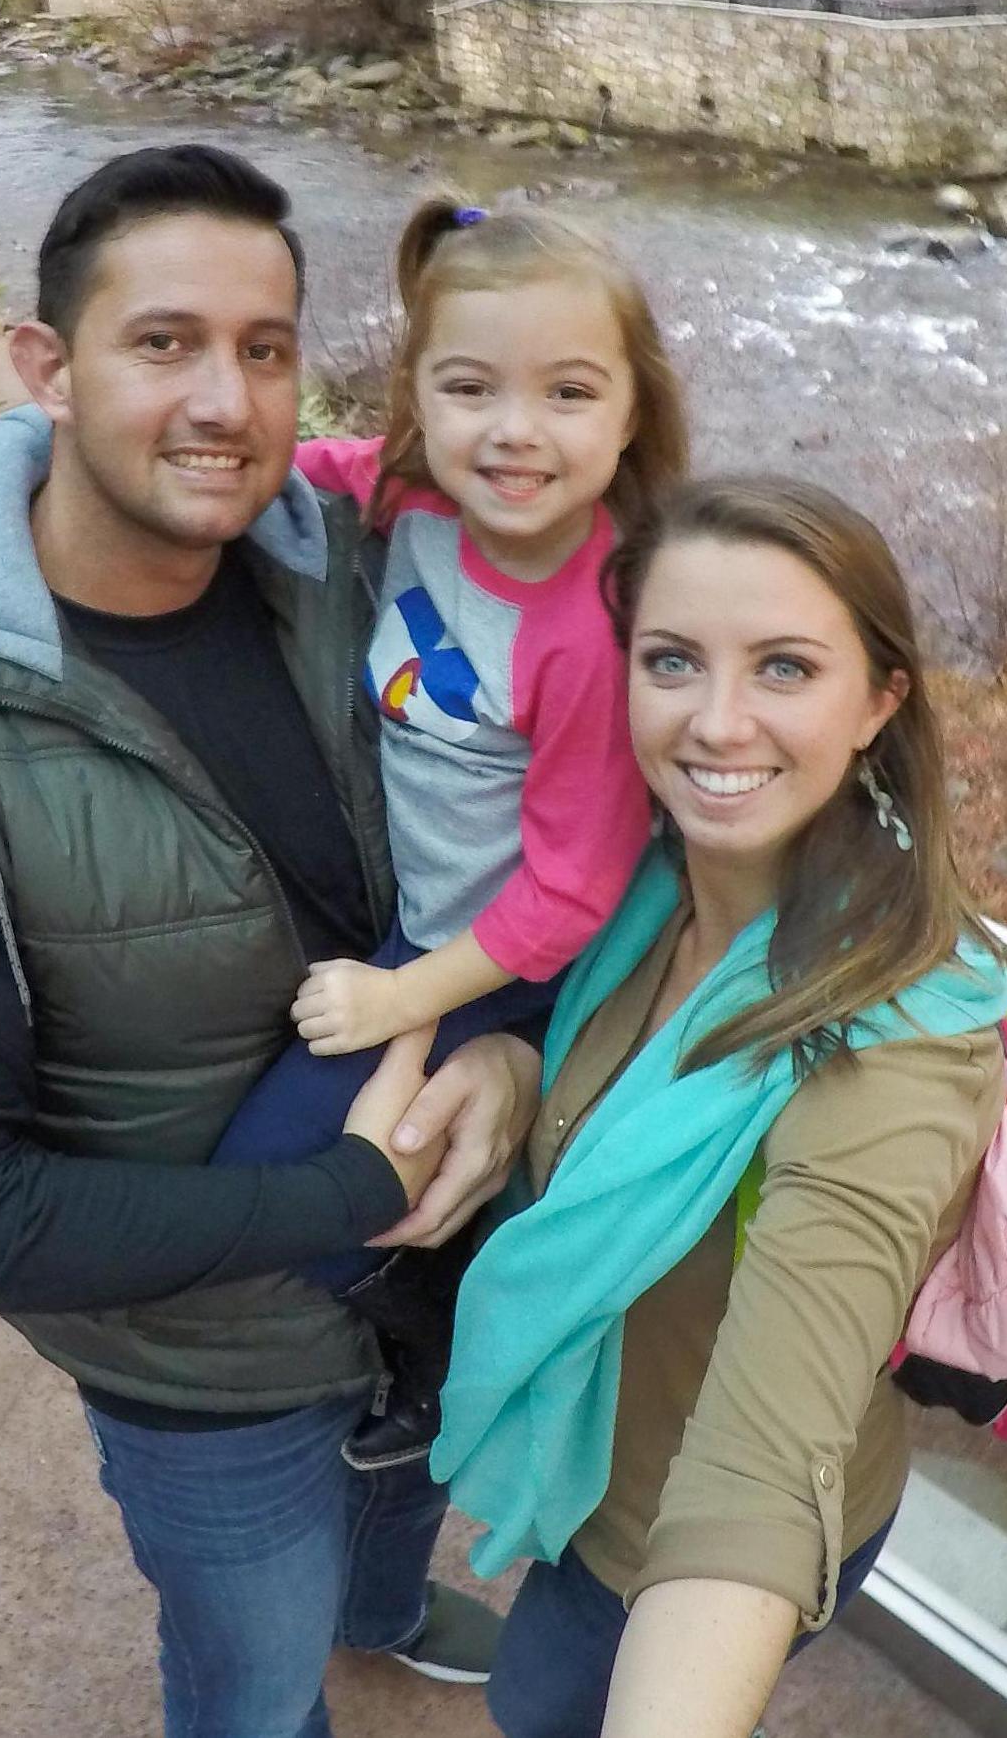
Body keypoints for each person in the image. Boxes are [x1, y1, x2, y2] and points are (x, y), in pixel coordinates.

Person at [0, 145, 543, 1738]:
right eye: (165, 343)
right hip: (213, 1379)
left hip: (445, 1255)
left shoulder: (344, 573)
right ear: (43, 366)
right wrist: (344, 1193)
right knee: (251, 1680)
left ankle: (384, 1604)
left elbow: (509, 845)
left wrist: (511, 1052)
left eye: (264, 348)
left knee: (402, 1496)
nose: (226, 400)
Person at [433, 477, 1007, 1738]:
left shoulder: (897, 1036)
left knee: (541, 1698)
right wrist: (516, 1069)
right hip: (596, 1456)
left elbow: (765, 1448)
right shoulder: (644, 887)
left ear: (878, 699)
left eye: (782, 668)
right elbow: (626, 1090)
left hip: (669, 1529)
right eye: (671, 659)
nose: (715, 721)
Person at [212, 197, 688, 1469]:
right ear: (418, 394)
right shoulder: (413, 499)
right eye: (471, 385)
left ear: (631, 411)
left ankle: (430, 1326)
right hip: (420, 926)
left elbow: (573, 891)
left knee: (292, 1193)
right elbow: (299, 474)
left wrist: (401, 1000)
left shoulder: (590, 629)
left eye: (568, 393)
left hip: (509, 967)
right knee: (279, 1163)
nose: (515, 431)